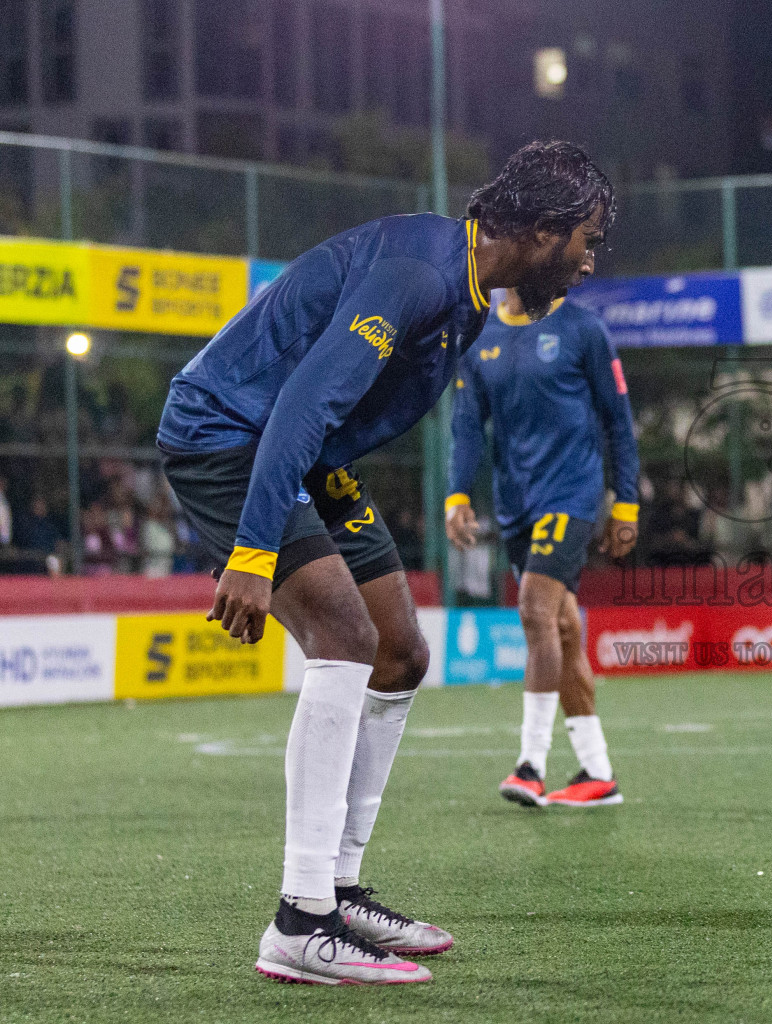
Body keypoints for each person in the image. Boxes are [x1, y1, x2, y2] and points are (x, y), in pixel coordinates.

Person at [156, 141, 614, 985]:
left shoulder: (472, 292)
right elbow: (304, 397)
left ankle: (338, 884)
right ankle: (300, 920)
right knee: (342, 631)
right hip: (229, 437)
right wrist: (255, 548)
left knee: (400, 651)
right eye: (586, 240)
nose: (589, 260)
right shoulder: (420, 275)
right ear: (544, 229)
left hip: (305, 450)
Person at [446, 264, 639, 810]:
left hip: (573, 494)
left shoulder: (584, 330)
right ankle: (597, 772)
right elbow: (465, 425)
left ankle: (530, 764)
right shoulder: (479, 337)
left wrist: (625, 501)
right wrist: (456, 494)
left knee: (535, 610)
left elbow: (618, 422)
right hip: (515, 505)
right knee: (562, 626)